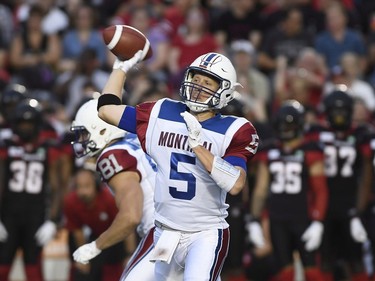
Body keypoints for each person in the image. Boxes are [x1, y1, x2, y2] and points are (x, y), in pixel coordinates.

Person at [97, 49, 259, 280]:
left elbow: (235, 183)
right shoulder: (162, 112)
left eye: (208, 83)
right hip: (165, 233)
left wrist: (198, 146)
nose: (198, 86)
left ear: (224, 91)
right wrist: (120, 68)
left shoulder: (235, 129)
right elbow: (106, 110)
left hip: (204, 234)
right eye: (195, 79)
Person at [69, 98, 157, 281]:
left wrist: (95, 246)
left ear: (101, 130)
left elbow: (131, 216)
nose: (82, 141)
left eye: (85, 134)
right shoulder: (137, 140)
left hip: (161, 231)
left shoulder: (112, 155)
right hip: (193, 226)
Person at [248, 100, 328, 280]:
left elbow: (320, 190)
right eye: (283, 124)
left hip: (303, 218)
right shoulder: (270, 151)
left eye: (289, 124)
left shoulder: (310, 150)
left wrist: (318, 221)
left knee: (313, 271)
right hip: (278, 220)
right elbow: (261, 189)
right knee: (284, 272)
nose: (285, 128)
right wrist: (253, 219)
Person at [308, 88, 372, 281]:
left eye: (343, 111)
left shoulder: (362, 134)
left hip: (351, 201)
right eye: (334, 111)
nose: (338, 116)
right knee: (324, 260)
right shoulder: (315, 133)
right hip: (325, 203)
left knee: (356, 259)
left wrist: (357, 211)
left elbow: (368, 174)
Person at [0, 99, 63, 280]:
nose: (25, 127)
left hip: (35, 214)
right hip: (8, 214)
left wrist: (52, 220)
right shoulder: (7, 147)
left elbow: (57, 187)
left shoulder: (48, 148)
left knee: (33, 268)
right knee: (2, 265)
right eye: (21, 123)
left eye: (29, 123)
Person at [63, 164, 126, 281]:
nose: (82, 191)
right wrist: (83, 259)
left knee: (115, 267)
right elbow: (77, 232)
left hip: (115, 234)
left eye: (86, 186)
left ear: (96, 186)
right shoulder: (71, 201)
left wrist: (128, 254)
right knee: (80, 266)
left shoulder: (109, 200)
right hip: (94, 235)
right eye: (79, 187)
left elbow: (126, 226)